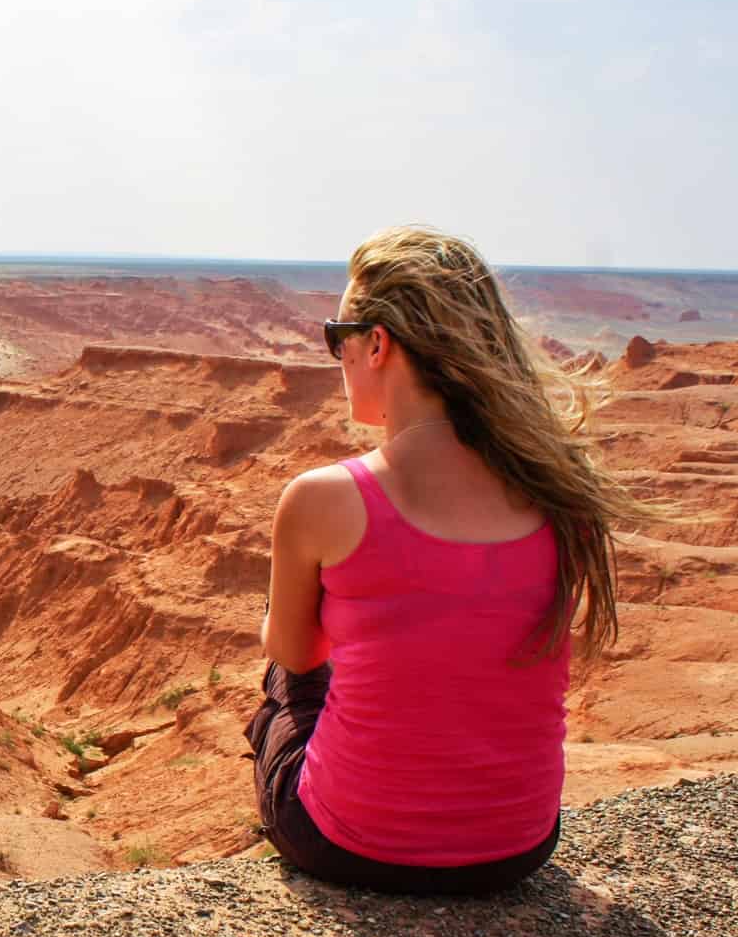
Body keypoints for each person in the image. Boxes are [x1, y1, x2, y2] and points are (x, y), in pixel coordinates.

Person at [246, 226, 656, 894]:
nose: (337, 355)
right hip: (519, 848)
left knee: (289, 681)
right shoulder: (558, 487)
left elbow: (297, 654)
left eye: (336, 336)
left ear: (377, 343)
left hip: (347, 847)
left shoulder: (322, 498)